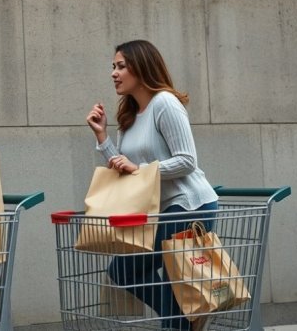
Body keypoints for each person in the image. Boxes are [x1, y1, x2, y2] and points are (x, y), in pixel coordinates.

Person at [86, 39, 219, 331]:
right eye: (113, 67)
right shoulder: (129, 114)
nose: (114, 73)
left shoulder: (165, 104)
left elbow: (187, 160)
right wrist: (102, 138)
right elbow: (126, 171)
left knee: (159, 277)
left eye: (121, 66)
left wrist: (142, 169)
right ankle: (188, 315)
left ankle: (180, 319)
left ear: (141, 67)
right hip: (162, 210)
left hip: (189, 205)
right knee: (123, 271)